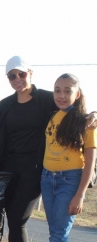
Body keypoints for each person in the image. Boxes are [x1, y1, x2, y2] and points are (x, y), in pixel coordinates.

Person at [0, 56, 97, 242]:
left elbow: (74, 109)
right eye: (12, 76)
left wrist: (94, 114)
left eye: (21, 74)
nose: (17, 79)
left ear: (30, 73)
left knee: (18, 220)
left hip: (35, 171)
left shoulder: (47, 98)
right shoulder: (5, 104)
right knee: (10, 219)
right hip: (8, 170)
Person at [41, 73, 96, 241]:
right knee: (54, 231)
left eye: (67, 91)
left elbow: (90, 162)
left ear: (77, 94)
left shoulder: (86, 122)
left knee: (59, 234)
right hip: (47, 178)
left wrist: (80, 195)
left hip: (70, 180)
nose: (61, 95)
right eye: (57, 91)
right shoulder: (52, 116)